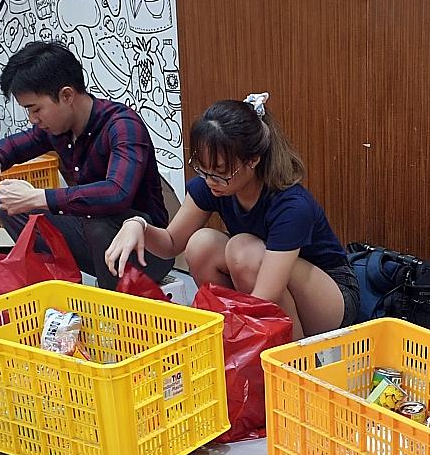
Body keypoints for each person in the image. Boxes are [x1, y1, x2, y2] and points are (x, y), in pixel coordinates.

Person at [105, 94, 360, 338]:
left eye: (220, 172)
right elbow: (171, 244)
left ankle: (293, 358)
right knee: (201, 244)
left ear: (253, 160)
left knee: (243, 251)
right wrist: (137, 225)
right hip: (266, 284)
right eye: (202, 170)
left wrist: (211, 325)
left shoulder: (291, 205)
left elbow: (265, 296)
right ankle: (248, 346)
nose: (210, 180)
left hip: (330, 299)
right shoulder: (213, 186)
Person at [0, 40, 172, 290]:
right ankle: (56, 285)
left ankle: (113, 309)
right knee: (6, 200)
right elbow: (21, 144)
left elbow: (116, 193)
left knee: (98, 219)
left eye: (35, 109)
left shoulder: (122, 125)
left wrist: (40, 197)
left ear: (66, 95)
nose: (33, 119)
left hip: (147, 251)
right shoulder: (58, 128)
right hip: (95, 239)